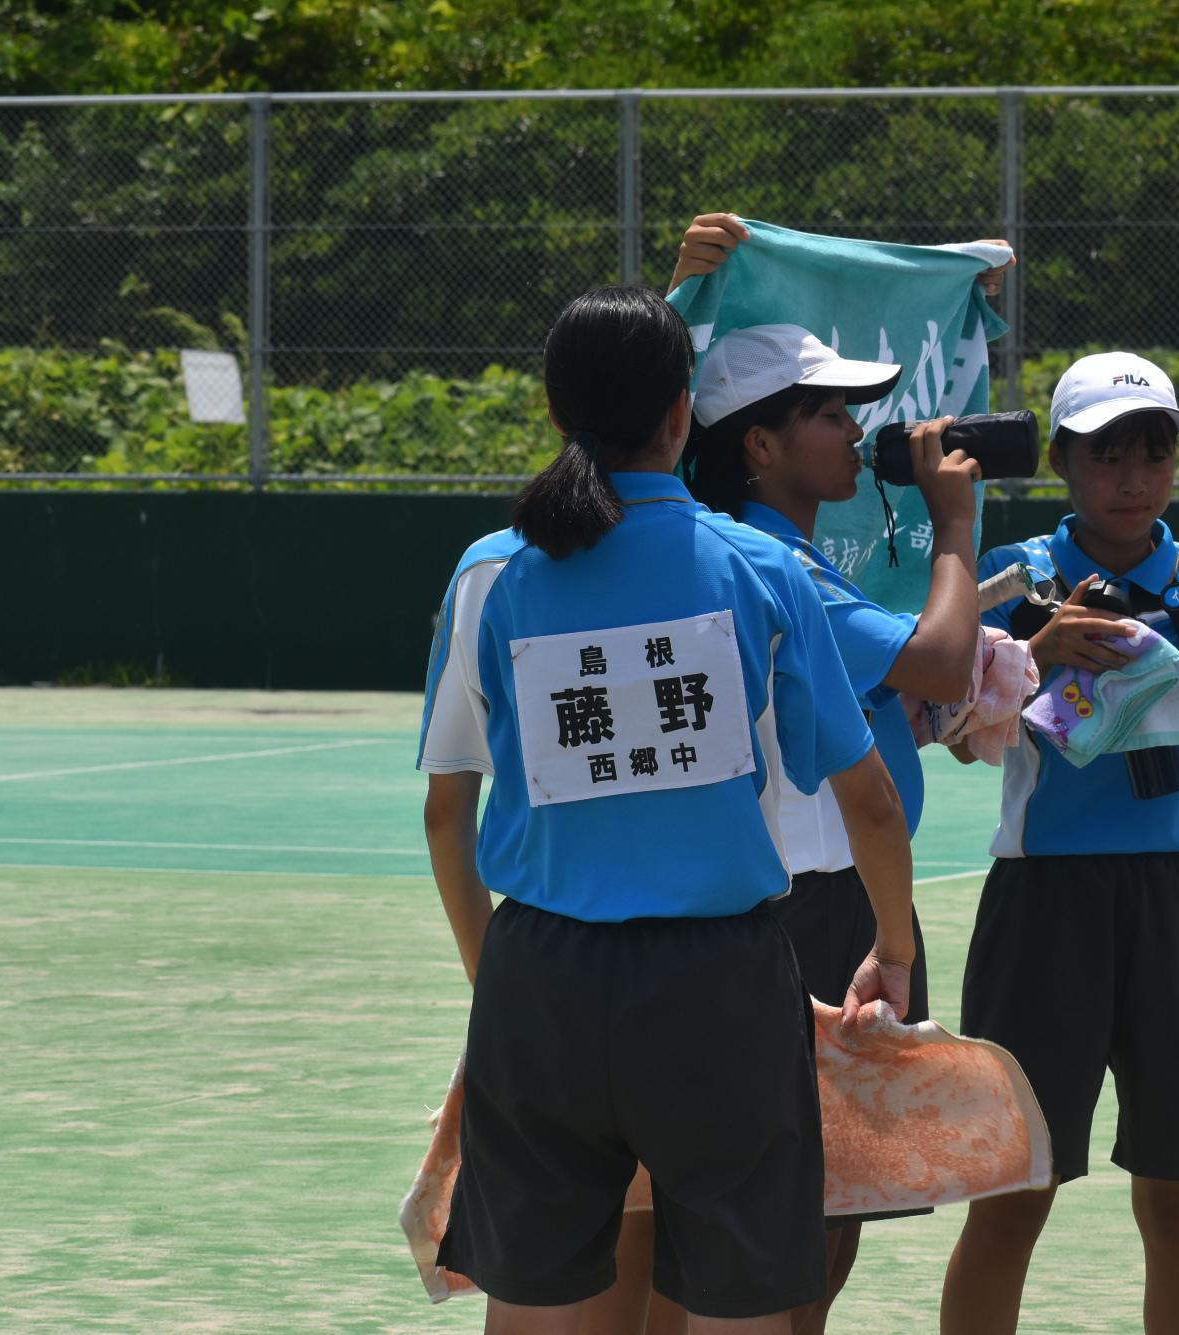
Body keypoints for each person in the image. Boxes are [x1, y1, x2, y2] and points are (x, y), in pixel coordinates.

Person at [416, 284, 917, 1335]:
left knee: (534, 1308)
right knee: (739, 1305)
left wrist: (499, 984)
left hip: (541, 979)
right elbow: (869, 802)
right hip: (717, 986)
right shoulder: (760, 568)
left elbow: (445, 816)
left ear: (554, 411)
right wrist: (892, 948)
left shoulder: (491, 575)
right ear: (682, 413)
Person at [940, 352, 1179, 1335]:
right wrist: (1031, 654)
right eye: (1106, 455)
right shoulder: (1008, 580)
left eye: (1153, 453)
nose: (1132, 478)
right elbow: (956, 737)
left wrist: (1166, 689)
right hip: (1043, 905)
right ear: (1059, 461)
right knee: (1012, 1193)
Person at [677, 320, 983, 1334]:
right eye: (825, 413)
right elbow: (939, 660)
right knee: (798, 1216)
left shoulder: (783, 555)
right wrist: (953, 526)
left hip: (837, 895)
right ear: (758, 445)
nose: (855, 431)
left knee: (833, 1209)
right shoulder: (773, 563)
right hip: (812, 904)